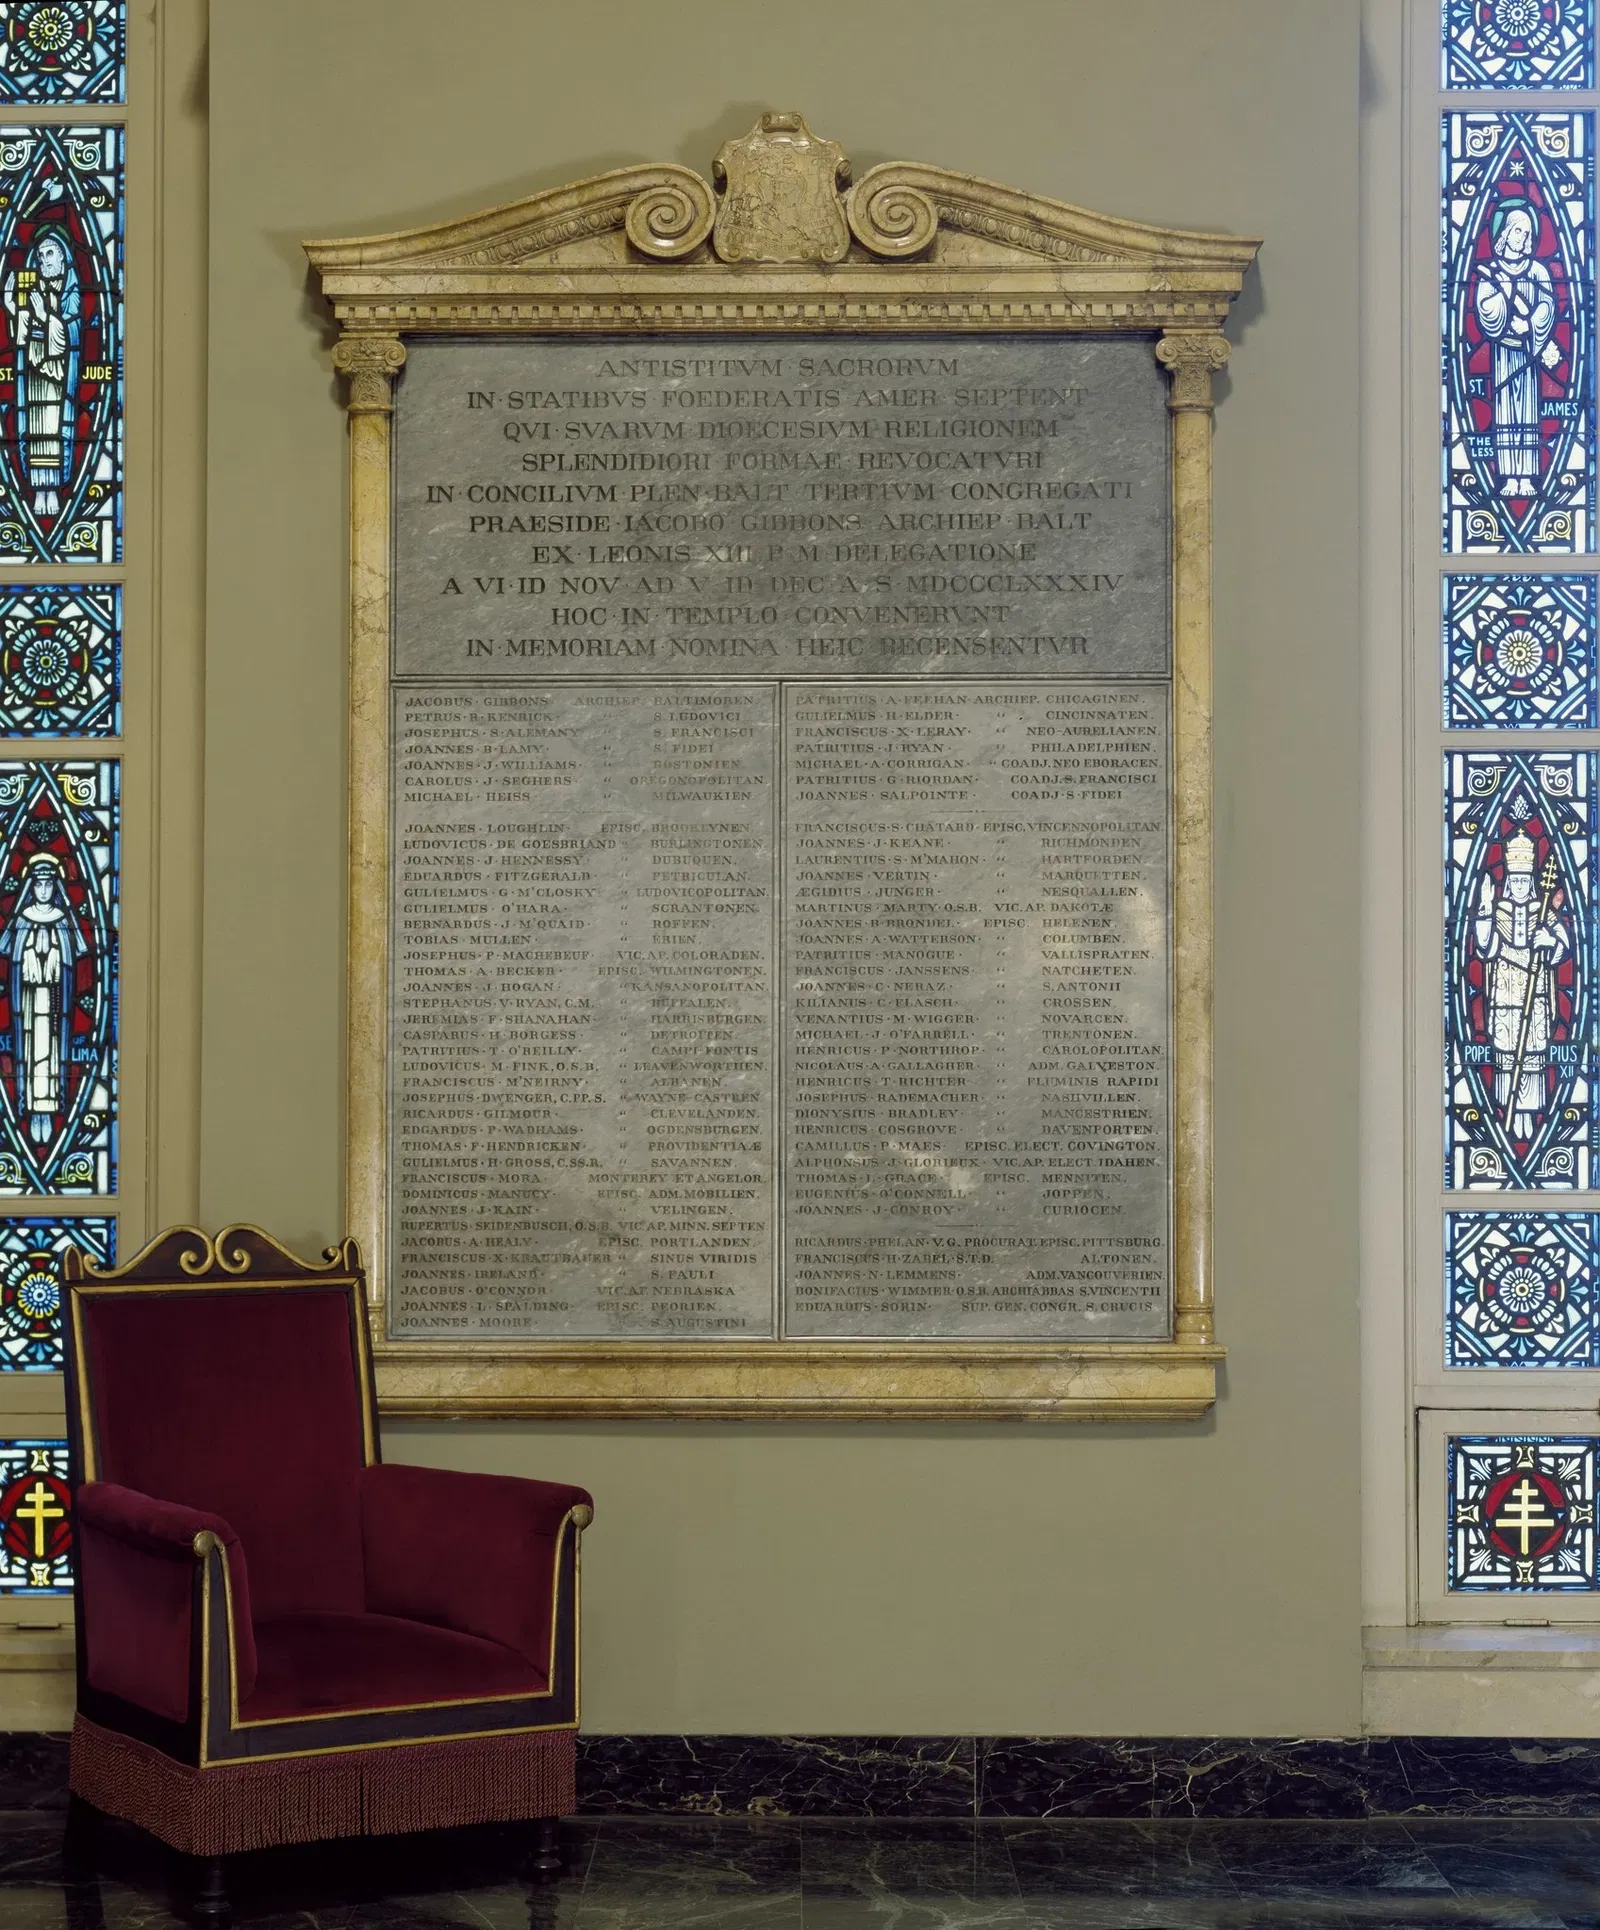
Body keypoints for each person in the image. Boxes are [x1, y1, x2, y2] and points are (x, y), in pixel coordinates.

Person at [1474, 827, 1568, 1141]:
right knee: (1507, 1051)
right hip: (1504, 993)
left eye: (1522, 881)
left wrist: (1549, 940)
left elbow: (1563, 947)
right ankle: (1508, 1112)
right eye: (1513, 880)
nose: (1516, 885)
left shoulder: (1543, 914)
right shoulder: (1498, 910)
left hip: (1535, 994)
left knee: (1533, 1050)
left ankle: (1530, 1118)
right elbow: (1484, 948)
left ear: (1530, 882)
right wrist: (1485, 908)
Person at [1473, 197, 1556, 496]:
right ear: (1505, 233)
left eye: (1528, 233)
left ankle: (1526, 477)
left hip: (1529, 356)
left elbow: (1548, 306)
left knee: (1527, 414)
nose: (1524, 238)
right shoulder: (1490, 273)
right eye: (1519, 231)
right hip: (1505, 352)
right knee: (1507, 412)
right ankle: (1509, 477)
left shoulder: (1538, 271)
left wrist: (1531, 323)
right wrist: (1507, 311)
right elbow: (1485, 310)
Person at [2, 855, 79, 1145]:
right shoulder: (21, 921)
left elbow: (74, 959)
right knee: (32, 1056)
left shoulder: (62, 921)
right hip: (30, 1003)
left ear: (55, 888)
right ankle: (33, 1111)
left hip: (56, 1003)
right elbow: (11, 954)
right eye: (38, 885)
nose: (44, 890)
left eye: (49, 884)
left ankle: (49, 1109)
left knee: (51, 1053)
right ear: (31, 888)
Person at [7, 232, 80, 520]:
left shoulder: (72, 292)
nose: (44, 262)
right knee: (37, 430)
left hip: (59, 375)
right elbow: (22, 336)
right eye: (40, 257)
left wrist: (46, 316)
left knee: (53, 427)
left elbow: (72, 331)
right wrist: (15, 308)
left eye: (50, 254)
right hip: (36, 370)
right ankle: (40, 491)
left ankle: (54, 489)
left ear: (63, 257)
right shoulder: (35, 288)